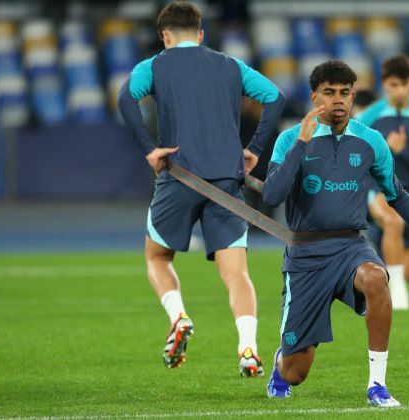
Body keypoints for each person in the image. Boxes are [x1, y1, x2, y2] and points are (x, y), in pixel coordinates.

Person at [261, 60, 409, 406]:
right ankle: (282, 362)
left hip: (351, 245)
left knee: (375, 278)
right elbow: (271, 196)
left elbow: (396, 193)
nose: (337, 100)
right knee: (297, 372)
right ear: (314, 97)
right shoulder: (290, 139)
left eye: (344, 93)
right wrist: (301, 145)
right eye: (329, 93)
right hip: (306, 255)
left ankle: (377, 385)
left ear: (353, 96)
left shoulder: (371, 141)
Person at [117, 2, 285, 375]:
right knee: (237, 274)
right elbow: (275, 97)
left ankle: (178, 316)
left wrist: (149, 150)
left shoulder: (155, 65)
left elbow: (125, 99)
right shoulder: (230, 65)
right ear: (201, 33)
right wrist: (253, 150)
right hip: (226, 180)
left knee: (157, 258)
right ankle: (248, 348)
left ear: (164, 36)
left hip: (179, 175)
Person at [355, 54, 409, 310]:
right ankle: (395, 294)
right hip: (379, 189)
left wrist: (401, 150)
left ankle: (381, 256)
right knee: (393, 221)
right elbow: (358, 161)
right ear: (384, 84)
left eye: (403, 85)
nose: (399, 91)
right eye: (393, 85)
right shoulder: (368, 118)